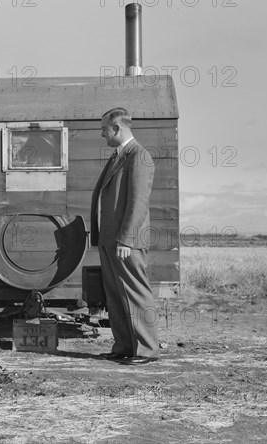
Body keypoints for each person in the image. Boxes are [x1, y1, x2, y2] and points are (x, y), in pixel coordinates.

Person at [90, 107, 159, 365]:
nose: (102, 135)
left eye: (104, 129)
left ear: (116, 128)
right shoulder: (118, 156)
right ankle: (124, 347)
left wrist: (126, 239)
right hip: (111, 240)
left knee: (135, 293)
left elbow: (138, 203)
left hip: (125, 241)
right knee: (116, 295)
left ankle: (146, 350)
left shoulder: (139, 157)